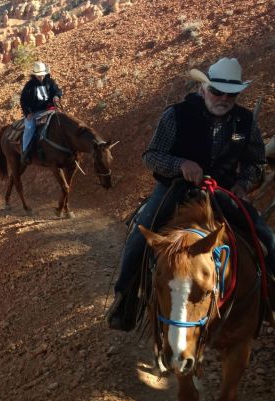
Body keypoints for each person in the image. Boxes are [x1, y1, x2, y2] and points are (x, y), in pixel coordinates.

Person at [107, 57, 274, 331]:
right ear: (203, 89)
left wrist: (244, 184)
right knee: (140, 235)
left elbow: (256, 162)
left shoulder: (245, 121)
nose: (223, 98)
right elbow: (151, 156)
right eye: (217, 91)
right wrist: (180, 165)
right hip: (175, 189)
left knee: (265, 236)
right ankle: (125, 300)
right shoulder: (176, 115)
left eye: (230, 94)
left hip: (223, 192)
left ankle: (267, 299)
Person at [19, 61, 63, 164]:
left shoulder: (50, 82)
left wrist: (56, 97)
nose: (41, 78)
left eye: (42, 75)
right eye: (38, 76)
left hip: (49, 109)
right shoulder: (29, 85)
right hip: (34, 112)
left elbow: (57, 91)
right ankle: (25, 152)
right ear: (34, 75)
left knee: (62, 120)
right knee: (29, 128)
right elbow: (23, 100)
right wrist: (28, 112)